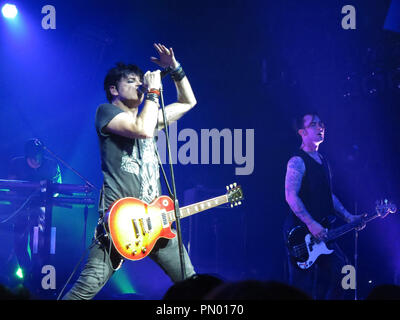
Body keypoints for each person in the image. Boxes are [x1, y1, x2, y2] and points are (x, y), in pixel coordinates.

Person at [62, 43, 197, 300]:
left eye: (140, 81)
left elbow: (189, 102)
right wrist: (154, 91)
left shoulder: (149, 116)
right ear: (114, 89)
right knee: (83, 291)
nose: (139, 85)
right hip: (120, 223)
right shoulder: (106, 112)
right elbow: (142, 129)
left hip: (156, 221)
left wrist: (175, 69)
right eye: (131, 81)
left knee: (193, 285)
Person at [283, 112, 364, 300]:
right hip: (301, 233)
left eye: (321, 124)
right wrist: (311, 224)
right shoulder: (297, 160)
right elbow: (290, 196)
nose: (321, 127)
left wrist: (349, 217)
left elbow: (328, 196)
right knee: (302, 287)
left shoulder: (323, 160)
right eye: (314, 125)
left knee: (345, 273)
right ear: (302, 132)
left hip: (323, 230)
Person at [8, 138, 62, 284]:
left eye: (39, 157)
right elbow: (11, 185)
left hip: (41, 210)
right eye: (33, 158)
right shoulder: (16, 163)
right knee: (19, 242)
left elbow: (58, 189)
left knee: (38, 243)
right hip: (20, 208)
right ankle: (26, 271)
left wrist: (46, 188)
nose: (36, 161)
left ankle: (38, 274)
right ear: (27, 156)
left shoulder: (51, 165)